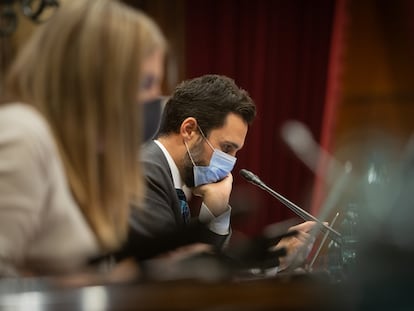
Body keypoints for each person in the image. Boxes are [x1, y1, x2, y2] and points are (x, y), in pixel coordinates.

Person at [0, 0, 166, 276]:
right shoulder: (23, 134)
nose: (154, 98)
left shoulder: (84, 158)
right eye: (145, 83)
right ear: (95, 80)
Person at [129, 74, 316, 270]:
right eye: (226, 148)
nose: (231, 162)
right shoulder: (145, 174)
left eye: (235, 152)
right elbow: (173, 275)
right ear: (189, 130)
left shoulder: (169, 176)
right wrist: (273, 259)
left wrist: (214, 209)